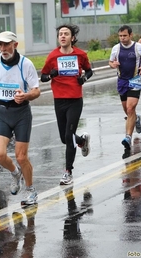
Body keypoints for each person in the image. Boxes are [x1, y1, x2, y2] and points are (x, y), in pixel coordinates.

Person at [0, 31, 40, 206]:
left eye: (7, 44)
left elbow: (36, 91)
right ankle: (16, 173)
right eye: (0, 45)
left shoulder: (26, 64)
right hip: (1, 111)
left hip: (21, 113)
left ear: (15, 45)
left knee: (21, 157)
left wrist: (26, 96)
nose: (3, 48)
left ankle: (31, 191)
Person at [40, 24, 91, 185]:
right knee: (64, 138)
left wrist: (83, 79)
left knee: (69, 137)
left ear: (72, 38)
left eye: (66, 34)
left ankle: (68, 172)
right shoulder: (53, 56)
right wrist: (51, 76)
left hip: (75, 100)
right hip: (59, 100)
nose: (62, 36)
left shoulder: (80, 55)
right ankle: (81, 141)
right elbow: (43, 76)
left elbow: (89, 71)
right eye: (60, 34)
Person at [109, 25, 141, 151]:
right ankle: (136, 119)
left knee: (130, 108)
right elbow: (110, 62)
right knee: (127, 110)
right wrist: (113, 64)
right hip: (122, 81)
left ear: (130, 35)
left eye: (125, 36)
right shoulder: (116, 48)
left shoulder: (139, 47)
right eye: (120, 36)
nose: (122, 38)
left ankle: (127, 137)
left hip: (134, 80)